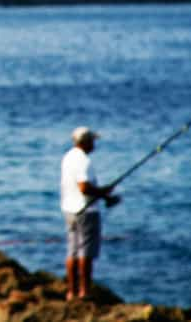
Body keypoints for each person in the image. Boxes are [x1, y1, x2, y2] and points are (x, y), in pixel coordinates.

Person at [60, 126, 120, 301]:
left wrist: (104, 195)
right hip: (86, 212)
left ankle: (71, 291)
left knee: (72, 251)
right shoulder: (83, 161)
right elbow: (84, 188)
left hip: (69, 209)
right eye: (92, 140)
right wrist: (104, 193)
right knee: (85, 253)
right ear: (86, 142)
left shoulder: (68, 157)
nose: (94, 143)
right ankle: (84, 292)